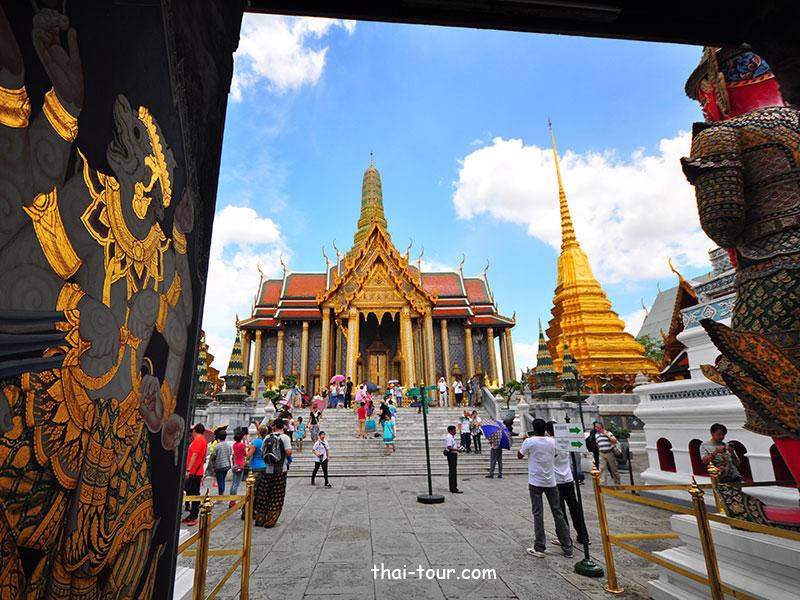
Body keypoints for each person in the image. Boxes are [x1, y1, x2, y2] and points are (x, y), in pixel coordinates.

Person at [518, 418, 573, 558]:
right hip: (551, 482)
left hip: (535, 481)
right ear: (545, 429)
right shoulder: (553, 442)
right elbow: (554, 455)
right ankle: (567, 547)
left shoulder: (529, 441)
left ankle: (539, 547)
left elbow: (519, 455)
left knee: (538, 514)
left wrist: (527, 443)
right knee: (558, 513)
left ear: (534, 428)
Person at [545, 422, 588, 545]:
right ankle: (583, 536)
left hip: (556, 481)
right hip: (568, 479)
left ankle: (564, 537)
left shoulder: (550, 443)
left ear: (548, 431)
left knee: (560, 511)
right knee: (575, 508)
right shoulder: (566, 442)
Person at [253, 419, 292, 528]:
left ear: (274, 426)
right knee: (277, 495)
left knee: (264, 494)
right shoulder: (285, 437)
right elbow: (289, 452)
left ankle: (260, 518)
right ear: (283, 427)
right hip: (280, 470)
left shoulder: (266, 437)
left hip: (267, 469)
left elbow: (262, 454)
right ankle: (271, 519)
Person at [183, 424, 208, 526]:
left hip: (194, 471)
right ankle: (191, 515)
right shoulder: (203, 440)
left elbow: (195, 454)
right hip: (197, 470)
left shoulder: (198, 440)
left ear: (194, 431)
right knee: (191, 492)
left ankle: (194, 516)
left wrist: (188, 469)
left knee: (194, 493)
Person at [209, 428, 233, 497]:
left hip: (219, 466)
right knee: (222, 480)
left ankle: (221, 495)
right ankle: (221, 494)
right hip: (227, 465)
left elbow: (213, 456)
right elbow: (230, 453)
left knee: (220, 481)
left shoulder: (217, 446)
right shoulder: (228, 445)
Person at [445, 425, 463, 493]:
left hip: (453, 454)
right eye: (454, 430)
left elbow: (451, 446)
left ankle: (453, 487)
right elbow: (449, 447)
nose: (455, 431)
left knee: (453, 471)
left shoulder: (451, 437)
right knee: (453, 471)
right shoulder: (449, 437)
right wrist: (458, 450)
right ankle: (453, 488)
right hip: (452, 455)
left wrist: (457, 447)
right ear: (450, 431)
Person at [230, 433, 247, 507]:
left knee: (234, 483)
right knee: (236, 484)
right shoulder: (242, 445)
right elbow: (246, 454)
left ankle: (231, 499)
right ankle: (233, 500)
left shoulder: (234, 445)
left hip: (235, 464)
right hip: (240, 465)